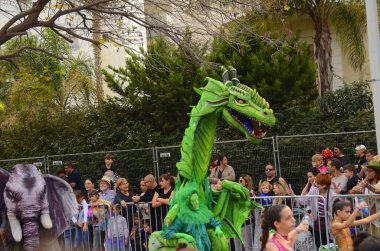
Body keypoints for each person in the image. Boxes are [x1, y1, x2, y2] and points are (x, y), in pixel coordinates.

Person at [297, 173, 336, 248]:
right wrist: (293, 195)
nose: (316, 184)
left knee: (328, 245)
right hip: (316, 223)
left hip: (328, 224)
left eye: (318, 183)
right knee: (318, 244)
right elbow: (303, 201)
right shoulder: (314, 191)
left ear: (324, 185)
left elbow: (334, 212)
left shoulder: (332, 195)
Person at [234, 174, 255, 251]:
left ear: (246, 182)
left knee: (247, 246)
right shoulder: (235, 192)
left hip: (247, 222)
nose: (238, 182)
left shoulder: (251, 193)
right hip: (236, 223)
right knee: (237, 247)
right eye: (238, 181)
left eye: (241, 181)